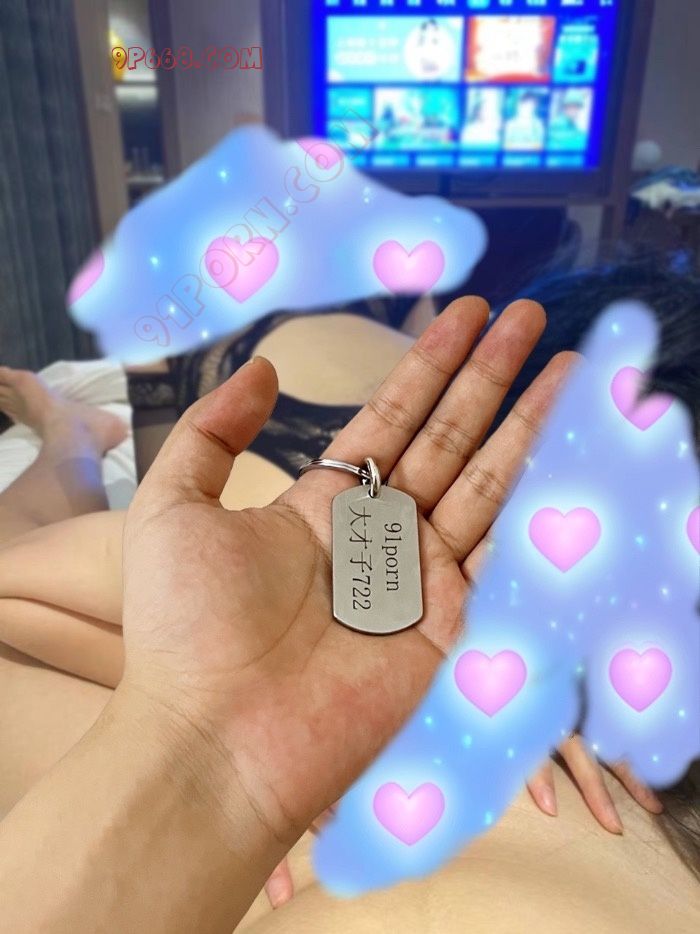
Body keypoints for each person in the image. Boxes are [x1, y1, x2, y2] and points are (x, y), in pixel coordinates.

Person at [1, 292, 692, 931]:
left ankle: (74, 430)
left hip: (397, 468)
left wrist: (215, 742)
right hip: (362, 453)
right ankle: (69, 437)